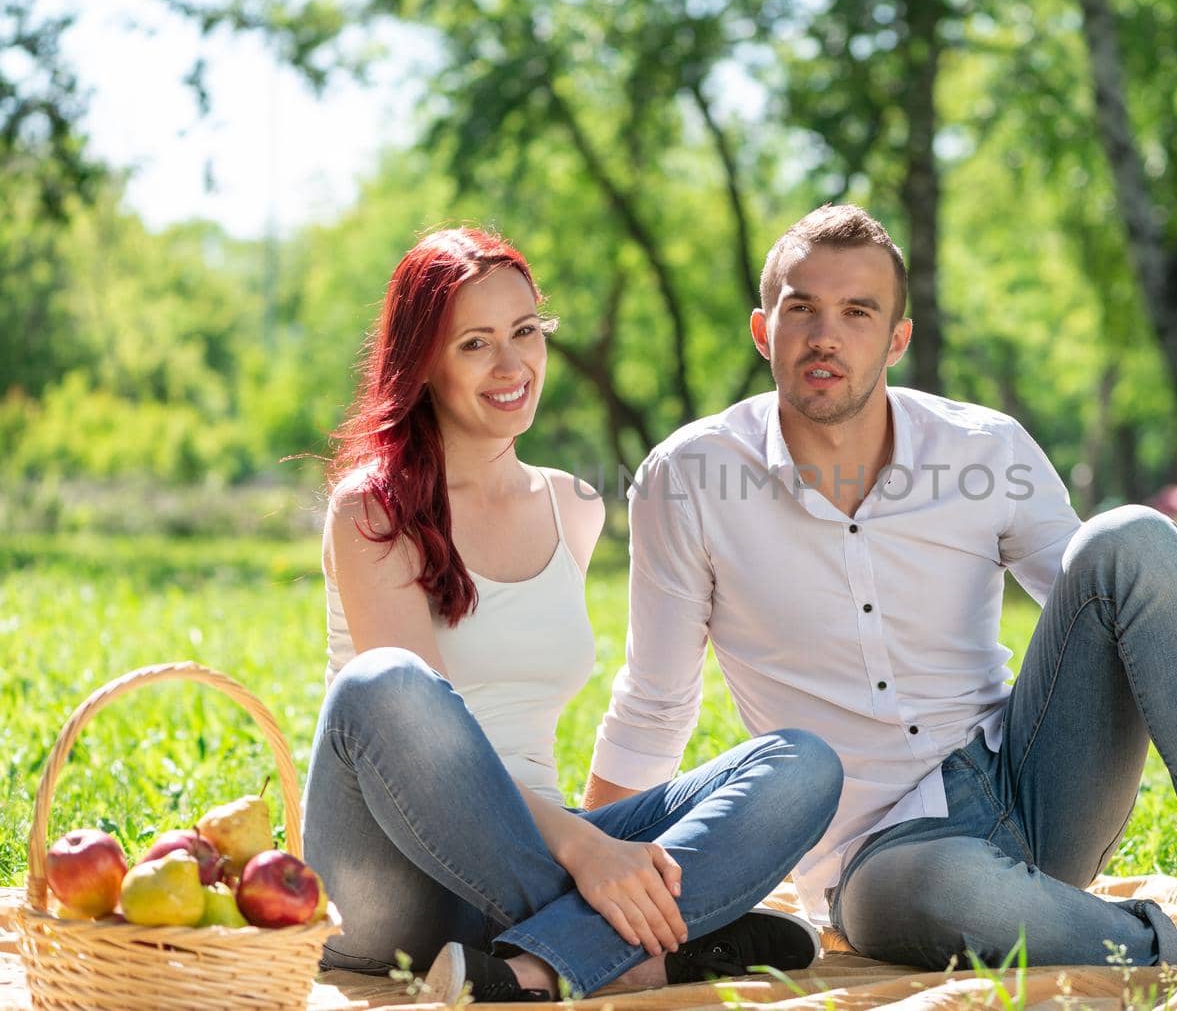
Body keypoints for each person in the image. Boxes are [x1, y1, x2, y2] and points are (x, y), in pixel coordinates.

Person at [582, 205, 1177, 977]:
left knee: (1130, 537)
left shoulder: (982, 447)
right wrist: (585, 877)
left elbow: (1132, 606)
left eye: (858, 312)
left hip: (1032, 783)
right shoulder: (687, 480)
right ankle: (1173, 954)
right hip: (881, 861)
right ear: (764, 331)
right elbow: (655, 703)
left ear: (897, 340)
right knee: (941, 890)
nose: (826, 336)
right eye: (803, 309)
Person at [302, 227, 843, 1004]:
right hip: (394, 877)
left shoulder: (573, 507)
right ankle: (648, 948)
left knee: (800, 763)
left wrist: (594, 842)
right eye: (475, 344)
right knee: (383, 684)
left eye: (526, 332)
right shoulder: (373, 510)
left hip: (534, 851)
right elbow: (414, 739)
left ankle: (543, 967)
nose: (512, 365)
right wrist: (585, 851)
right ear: (424, 364)